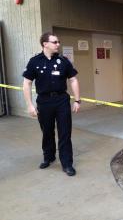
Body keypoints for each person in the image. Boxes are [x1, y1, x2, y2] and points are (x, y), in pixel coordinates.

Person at [23, 32, 81, 176]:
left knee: (65, 133)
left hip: (61, 100)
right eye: (55, 42)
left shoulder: (63, 61)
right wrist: (29, 105)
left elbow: (73, 79)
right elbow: (27, 83)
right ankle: (48, 157)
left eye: (58, 41)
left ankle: (67, 163)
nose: (58, 44)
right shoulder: (34, 61)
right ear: (45, 44)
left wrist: (77, 100)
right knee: (47, 131)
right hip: (44, 102)